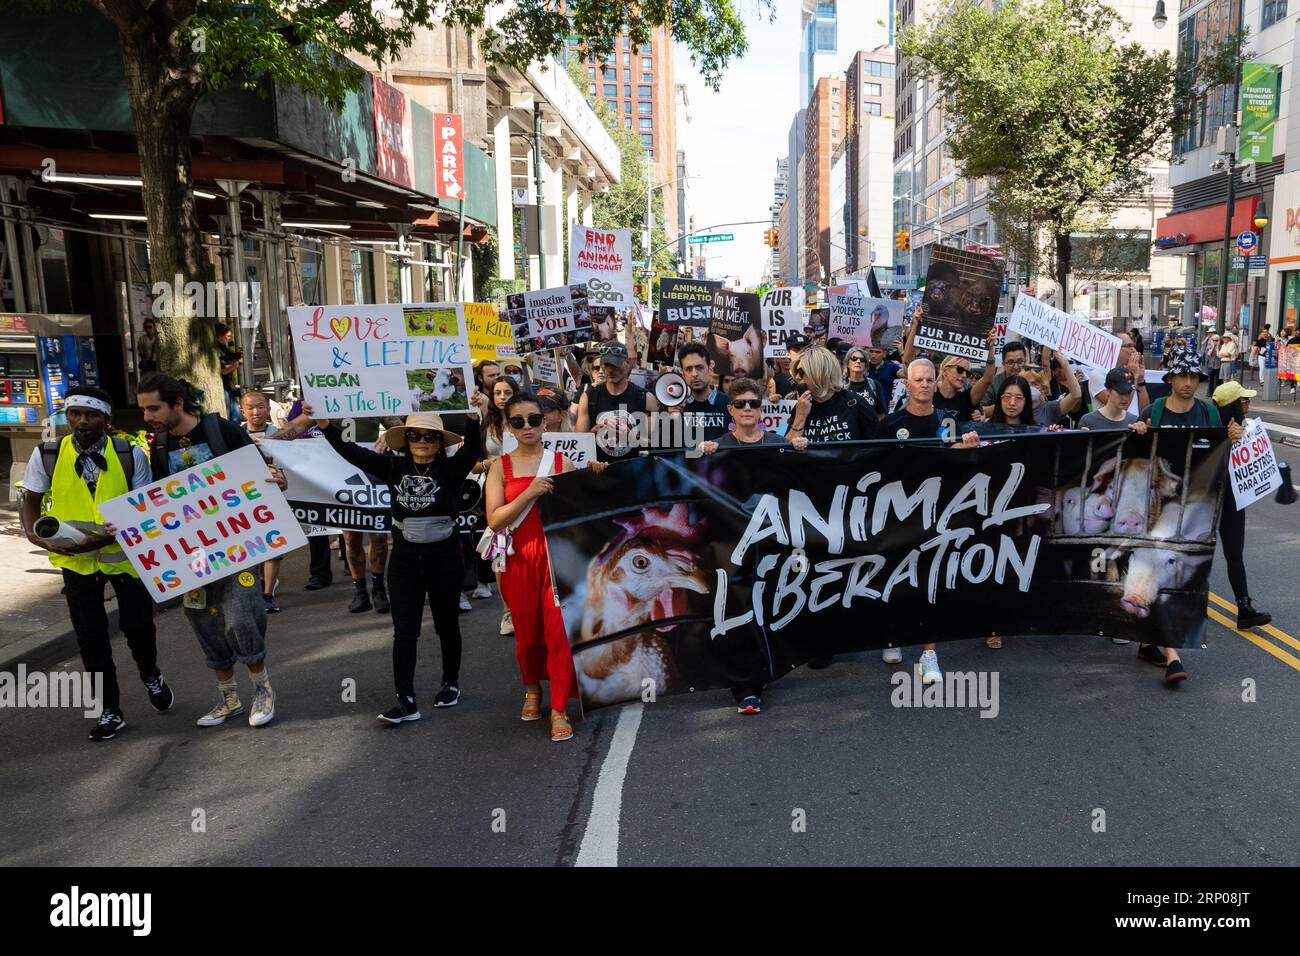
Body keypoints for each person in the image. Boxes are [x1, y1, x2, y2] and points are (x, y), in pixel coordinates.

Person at [19, 386, 174, 741]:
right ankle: (110, 709)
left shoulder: (129, 454)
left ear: (107, 419)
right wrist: (33, 535)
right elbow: (30, 500)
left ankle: (150, 673)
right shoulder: (47, 454)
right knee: (90, 637)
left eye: (91, 415)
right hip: (77, 563)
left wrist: (102, 540)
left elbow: (143, 512)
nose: (82, 421)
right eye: (75, 414)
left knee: (138, 627)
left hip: (125, 558)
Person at [311, 403, 482, 722]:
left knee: (447, 626)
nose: (422, 441)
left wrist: (473, 417)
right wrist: (324, 423)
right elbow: (350, 452)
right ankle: (405, 700)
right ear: (405, 439)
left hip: (445, 559)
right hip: (405, 561)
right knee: (405, 631)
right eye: (415, 435)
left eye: (430, 436)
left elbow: (473, 448)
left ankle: (450, 684)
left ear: (440, 442)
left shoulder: (452, 469)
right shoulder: (392, 467)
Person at [136, 372, 280, 727]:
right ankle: (228, 699)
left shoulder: (221, 430)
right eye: (144, 409)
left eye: (154, 408)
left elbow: (263, 474)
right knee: (206, 622)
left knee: (242, 618)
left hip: (240, 547)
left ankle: (262, 690)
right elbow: (158, 501)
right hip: (193, 556)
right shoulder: (159, 446)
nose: (147, 417)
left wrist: (277, 479)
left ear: (178, 403)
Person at [698, 378, 808, 714]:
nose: (748, 409)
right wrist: (700, 455)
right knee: (740, 610)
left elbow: (803, 478)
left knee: (770, 608)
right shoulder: (718, 445)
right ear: (730, 410)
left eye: (754, 403)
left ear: (762, 409)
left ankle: (767, 670)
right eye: (741, 404)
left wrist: (800, 447)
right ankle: (746, 686)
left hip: (773, 544)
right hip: (734, 546)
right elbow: (693, 483)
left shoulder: (776, 442)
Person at [485, 392, 580, 742]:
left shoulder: (562, 462)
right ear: (508, 427)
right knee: (526, 636)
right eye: (518, 421)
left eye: (534, 419)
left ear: (545, 422)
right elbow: (495, 520)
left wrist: (595, 475)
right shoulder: (500, 467)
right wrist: (529, 493)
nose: (527, 426)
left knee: (558, 633)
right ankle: (532, 689)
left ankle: (559, 708)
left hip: (556, 559)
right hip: (518, 560)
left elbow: (581, 511)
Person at [877, 359, 981, 673]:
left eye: (929, 379)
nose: (924, 384)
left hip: (938, 510)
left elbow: (958, 463)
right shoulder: (891, 424)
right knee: (897, 577)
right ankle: (893, 635)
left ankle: (929, 654)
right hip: (899, 513)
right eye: (918, 380)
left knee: (930, 579)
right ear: (907, 384)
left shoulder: (949, 420)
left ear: (936, 384)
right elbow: (877, 470)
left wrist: (968, 448)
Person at [1134, 351, 1222, 684]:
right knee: (1164, 572)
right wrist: (1137, 431)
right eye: (1182, 376)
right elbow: (1137, 453)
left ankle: (1147, 642)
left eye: (1194, 377)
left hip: (1195, 508)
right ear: (1170, 379)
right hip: (1158, 507)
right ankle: (1173, 657)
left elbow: (1219, 452)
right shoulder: (1153, 412)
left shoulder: (1208, 412)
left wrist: (1234, 437)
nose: (1188, 382)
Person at [1211, 381, 1273, 630]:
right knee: (1195, 554)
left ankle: (1244, 608)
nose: (1248, 403)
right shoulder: (1210, 430)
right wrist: (1226, 440)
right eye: (1244, 400)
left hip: (1233, 500)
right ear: (1232, 406)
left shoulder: (1246, 428)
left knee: (1235, 554)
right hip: (1207, 499)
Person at [574, 341, 659, 463]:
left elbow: (655, 446)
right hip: (600, 471)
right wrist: (595, 431)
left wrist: (630, 436)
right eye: (606, 365)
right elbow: (578, 444)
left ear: (627, 363)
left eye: (615, 365)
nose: (610, 370)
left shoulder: (645, 398)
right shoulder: (589, 397)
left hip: (634, 470)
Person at [238, 390, 284, 613]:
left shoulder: (280, 434)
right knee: (250, 548)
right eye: (250, 408)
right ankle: (254, 590)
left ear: (268, 408)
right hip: (242, 500)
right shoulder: (235, 434)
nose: (255, 412)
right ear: (242, 411)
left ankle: (268, 595)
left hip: (273, 498)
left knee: (273, 546)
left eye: (260, 407)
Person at [785, 346, 879, 445]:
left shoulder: (854, 403)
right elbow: (784, 449)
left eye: (801, 372)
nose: (797, 377)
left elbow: (875, 445)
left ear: (819, 374)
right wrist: (800, 418)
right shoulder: (802, 406)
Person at [678, 342, 731, 441]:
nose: (694, 374)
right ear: (683, 373)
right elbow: (659, 445)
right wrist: (670, 419)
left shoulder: (728, 403)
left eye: (700, 367)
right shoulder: (673, 403)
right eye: (688, 369)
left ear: (710, 368)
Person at [1078, 369, 1149, 434]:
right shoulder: (1088, 421)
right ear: (1108, 390)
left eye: (1129, 392)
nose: (1125, 398)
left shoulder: (1134, 422)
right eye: (1121, 392)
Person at [215, 323, 243, 421]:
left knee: (236, 417)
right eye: (227, 336)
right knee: (232, 417)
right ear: (219, 336)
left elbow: (228, 357)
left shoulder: (223, 347)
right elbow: (224, 370)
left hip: (228, 386)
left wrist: (237, 355)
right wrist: (239, 363)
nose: (229, 339)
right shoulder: (216, 350)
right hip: (224, 388)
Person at [843, 347, 885, 413]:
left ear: (865, 365)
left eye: (862, 360)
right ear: (848, 363)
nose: (858, 361)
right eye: (854, 358)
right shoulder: (840, 385)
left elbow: (880, 413)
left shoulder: (874, 385)